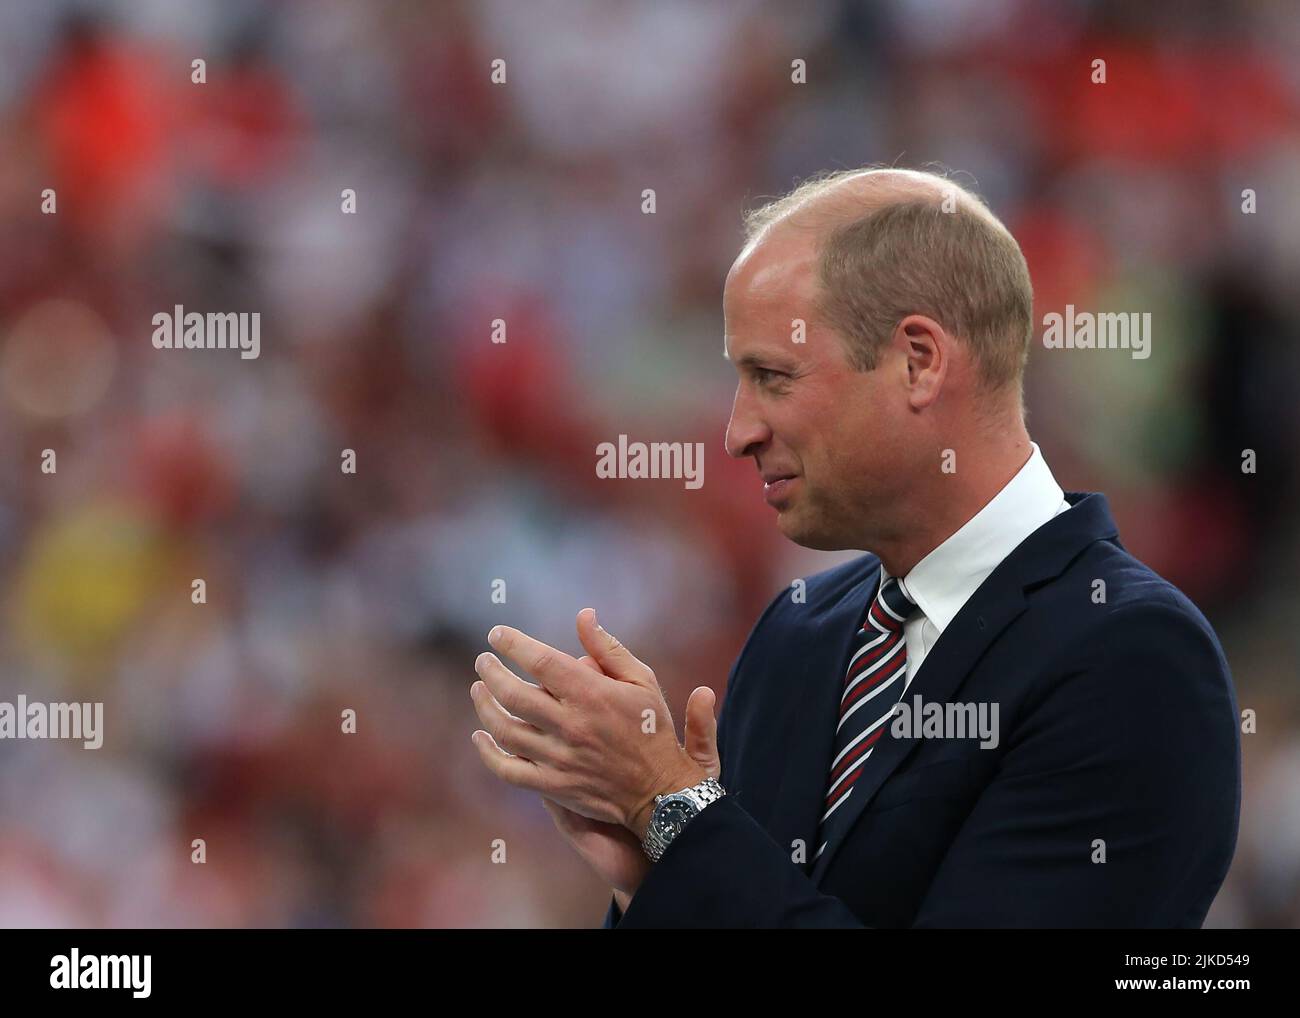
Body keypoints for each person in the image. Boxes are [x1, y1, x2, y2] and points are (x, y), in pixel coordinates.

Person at [468, 168, 1241, 927]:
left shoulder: (1131, 655)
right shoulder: (798, 633)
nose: (738, 433)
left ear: (918, 362)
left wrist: (671, 809)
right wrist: (656, 880)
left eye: (772, 376)